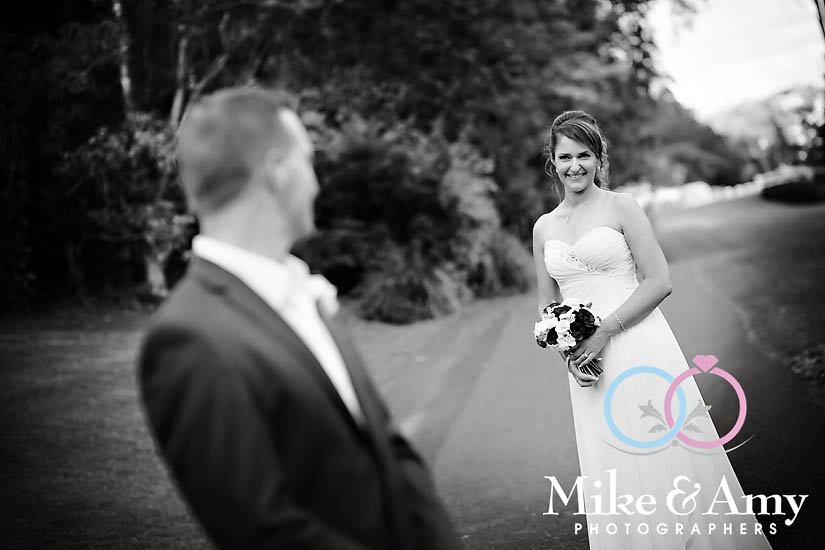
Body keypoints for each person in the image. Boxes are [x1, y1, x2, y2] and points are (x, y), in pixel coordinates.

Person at [137, 87, 460, 550]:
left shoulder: (304, 291)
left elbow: (386, 444)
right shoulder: (189, 337)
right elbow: (263, 530)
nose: (316, 184)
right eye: (308, 162)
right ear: (276, 171)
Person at [532, 110, 772, 549]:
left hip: (638, 342)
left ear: (599, 157)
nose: (575, 166)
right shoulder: (543, 227)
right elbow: (548, 308)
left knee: (664, 452)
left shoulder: (622, 207)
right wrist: (569, 357)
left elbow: (659, 280)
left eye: (584, 155)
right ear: (553, 160)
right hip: (588, 367)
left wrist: (604, 331)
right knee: (614, 462)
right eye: (565, 156)